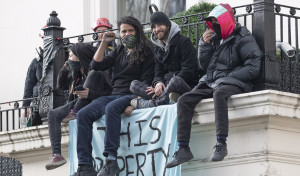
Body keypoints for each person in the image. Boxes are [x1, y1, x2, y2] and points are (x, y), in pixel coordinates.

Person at [165, 3, 262, 168]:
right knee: (185, 99)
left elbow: (253, 66)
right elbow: (204, 66)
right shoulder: (216, 39)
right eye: (212, 23)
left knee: (219, 94)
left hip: (236, 82)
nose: (214, 26)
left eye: (217, 22)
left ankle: (221, 144)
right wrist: (204, 45)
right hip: (214, 81)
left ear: (226, 21)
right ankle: (183, 148)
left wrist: (229, 77)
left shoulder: (243, 37)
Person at [75, 16, 154, 176]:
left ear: (137, 32)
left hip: (131, 94)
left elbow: (147, 79)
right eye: (123, 31)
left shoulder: (147, 50)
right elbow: (96, 65)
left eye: (130, 31)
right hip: (114, 94)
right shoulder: (119, 50)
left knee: (111, 108)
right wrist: (104, 42)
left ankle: (111, 161)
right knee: (82, 114)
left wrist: (136, 102)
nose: (126, 34)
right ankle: (85, 166)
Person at [45, 18, 114, 170]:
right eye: (97, 32)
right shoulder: (79, 69)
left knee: (94, 74)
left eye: (103, 30)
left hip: (96, 99)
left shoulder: (108, 57)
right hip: (80, 100)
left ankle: (75, 111)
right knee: (53, 114)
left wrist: (90, 94)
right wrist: (68, 65)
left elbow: (110, 92)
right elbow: (60, 85)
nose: (100, 34)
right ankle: (56, 154)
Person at [128, 11, 199, 110]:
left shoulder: (184, 42)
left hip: (185, 87)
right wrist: (158, 84)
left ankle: (156, 102)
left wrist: (167, 84)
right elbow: (158, 72)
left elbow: (188, 72)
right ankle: (161, 100)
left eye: (160, 25)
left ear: (167, 25)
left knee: (176, 80)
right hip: (165, 91)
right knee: (133, 85)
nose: (157, 29)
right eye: (154, 27)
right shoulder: (157, 49)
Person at [22, 33, 44, 126]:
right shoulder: (36, 61)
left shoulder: (64, 55)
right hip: (37, 103)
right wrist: (25, 106)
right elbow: (29, 84)